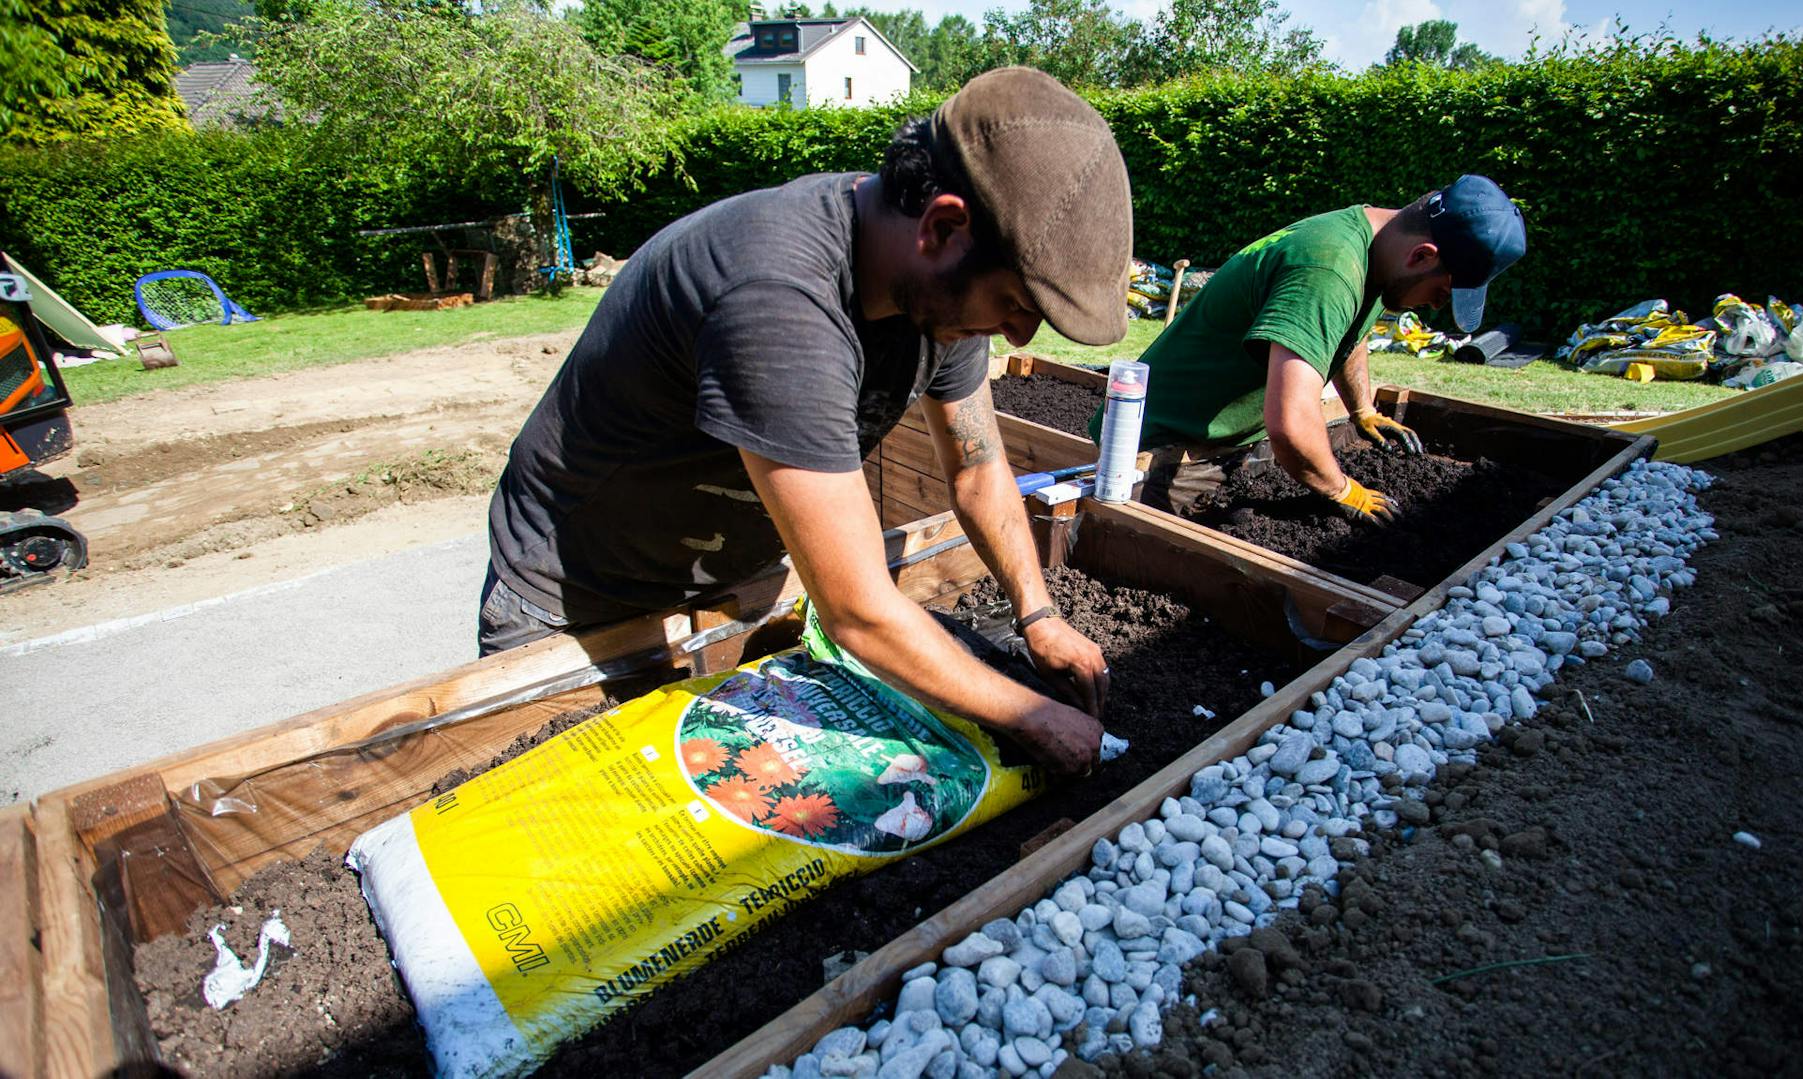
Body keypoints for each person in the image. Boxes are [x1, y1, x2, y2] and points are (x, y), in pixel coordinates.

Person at [480, 67, 1134, 776]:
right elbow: (857, 610)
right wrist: (1033, 715)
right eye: (1014, 304)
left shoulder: (936, 296)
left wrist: (1037, 615)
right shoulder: (779, 298)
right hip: (583, 602)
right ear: (943, 225)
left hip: (727, 585)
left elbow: (977, 469)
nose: (1017, 338)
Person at [1101, 175, 1526, 519]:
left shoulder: (1371, 245)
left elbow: (1348, 331)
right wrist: (1345, 492)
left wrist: (1362, 409)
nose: (1437, 305)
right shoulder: (1327, 270)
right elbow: (1290, 423)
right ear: (1422, 256)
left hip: (1222, 441)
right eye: (1441, 290)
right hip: (1162, 454)